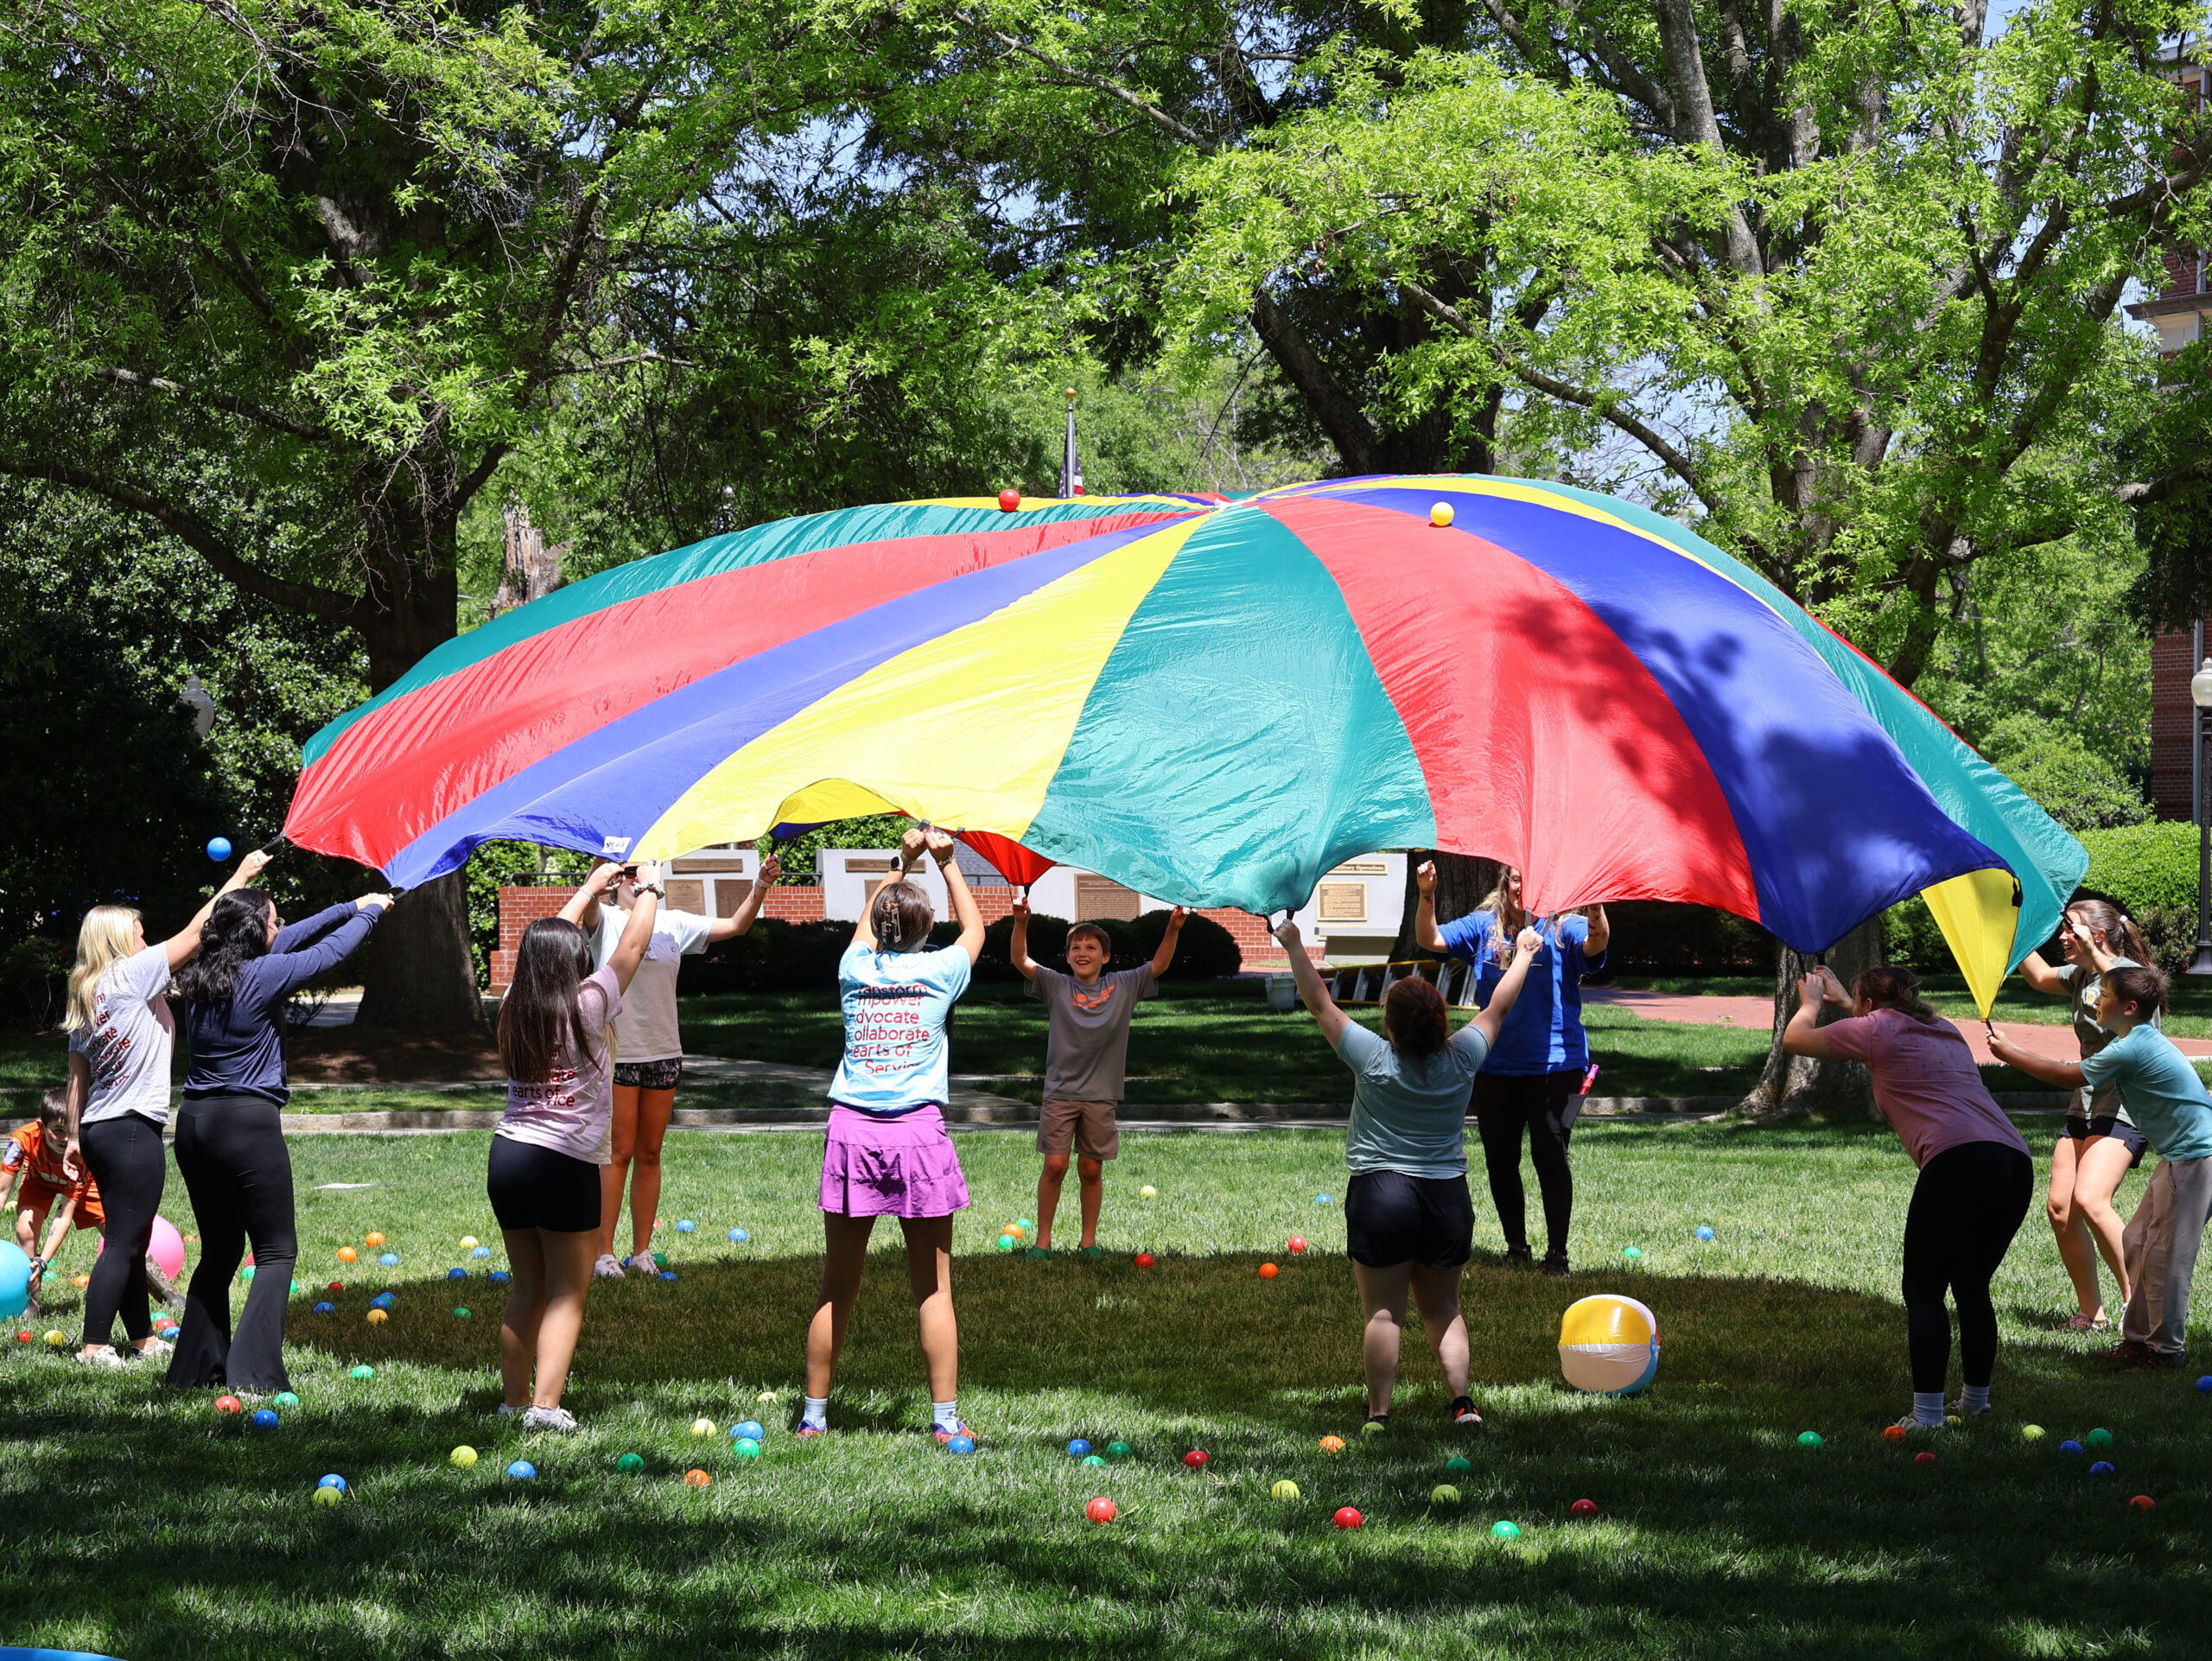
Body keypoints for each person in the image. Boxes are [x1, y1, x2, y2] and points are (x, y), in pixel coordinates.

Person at [1274, 911, 1543, 1426]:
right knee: (1443, 1310)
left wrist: (1291, 943)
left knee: (1383, 1313)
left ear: (1390, 1025)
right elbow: (1500, 1005)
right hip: (1446, 1199)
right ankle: (1463, 1405)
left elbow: (1318, 1002)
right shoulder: (1463, 1056)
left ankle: (1379, 1415)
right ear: (1441, 1020)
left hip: (1382, 1196)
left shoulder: (1372, 1058)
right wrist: (1526, 952)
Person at [167, 881, 391, 1391]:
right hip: (244, 1124)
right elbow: (328, 951)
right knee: (275, 1252)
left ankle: (195, 1370)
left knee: (221, 1252)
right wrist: (371, 914)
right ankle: (254, 1375)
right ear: (256, 933)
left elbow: (291, 938)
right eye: (274, 921)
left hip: (194, 1124)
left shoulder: (201, 975)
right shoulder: (264, 975)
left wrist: (348, 903)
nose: (281, 928)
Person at [1787, 965, 2034, 1427]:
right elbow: (1890, 1025)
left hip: (1957, 1161)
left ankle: (1927, 1417)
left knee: (1923, 1290)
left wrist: (1812, 1002)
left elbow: (1796, 1041)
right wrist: (1850, 1002)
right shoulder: (1944, 1029)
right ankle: (1977, 1404)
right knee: (1971, 1284)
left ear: (1867, 1006)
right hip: (2013, 1162)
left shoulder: (1875, 1029)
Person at [804, 825, 985, 1439]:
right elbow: (978, 930)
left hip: (851, 1132)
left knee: (838, 1284)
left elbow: (866, 925)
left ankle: (813, 1418)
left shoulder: (852, 967)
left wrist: (899, 865)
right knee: (932, 1288)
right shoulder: (939, 972)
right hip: (917, 1137)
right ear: (924, 931)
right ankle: (945, 1421)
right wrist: (948, 863)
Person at [62, 848, 272, 1367]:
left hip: (97, 1128)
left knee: (125, 1237)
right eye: (138, 931)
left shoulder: (88, 992)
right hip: (133, 1130)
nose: (145, 938)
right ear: (118, 940)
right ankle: (93, 1346)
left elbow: (76, 1079)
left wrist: (71, 1137)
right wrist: (241, 876)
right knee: (125, 1241)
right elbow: (202, 931)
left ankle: (142, 1339)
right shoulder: (132, 974)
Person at [488, 861, 660, 1430]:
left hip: (509, 1156)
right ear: (573, 961)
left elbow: (544, 947)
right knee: (567, 1294)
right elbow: (633, 947)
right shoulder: (588, 1001)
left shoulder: (517, 1001)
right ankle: (544, 1409)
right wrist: (651, 887)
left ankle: (512, 1405)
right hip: (564, 1166)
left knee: (528, 1289)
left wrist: (591, 886)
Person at [1990, 964, 2212, 1373]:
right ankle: (2138, 1341)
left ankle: (2166, 1354)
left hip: (2197, 1157)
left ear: (2128, 1007)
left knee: (2167, 1256)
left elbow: (2065, 1076)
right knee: (2138, 1240)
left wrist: (2011, 1054)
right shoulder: (2134, 1037)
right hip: (2181, 1155)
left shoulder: (2132, 1046)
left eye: (2104, 995)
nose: (2094, 1000)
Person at [575, 843, 781, 1280]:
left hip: (664, 1052)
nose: (638, 876)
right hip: (620, 1054)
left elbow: (736, 925)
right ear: (621, 880)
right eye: (631, 872)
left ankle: (641, 1251)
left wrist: (761, 884)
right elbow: (588, 895)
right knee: (618, 1154)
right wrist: (609, 851)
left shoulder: (674, 923)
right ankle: (603, 1254)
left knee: (650, 1153)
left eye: (645, 870)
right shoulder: (606, 921)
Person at [1414, 861, 1609, 1275]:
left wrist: (1595, 908)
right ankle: (1516, 1248)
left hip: (1557, 1067)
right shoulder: (1485, 927)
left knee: (1551, 1155)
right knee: (1501, 1160)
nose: (1525, 886)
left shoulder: (1563, 927)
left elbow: (1596, 944)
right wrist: (1427, 893)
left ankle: (1557, 1253)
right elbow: (1428, 938)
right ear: (1507, 882)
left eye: (1534, 877)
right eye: (1518, 877)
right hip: (1496, 1066)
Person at [1009, 901, 1185, 1257]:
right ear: (1068, 956)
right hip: (1060, 1092)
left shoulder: (1124, 985)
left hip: (1101, 1094)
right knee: (1055, 1165)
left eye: (1091, 947)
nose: (1082, 952)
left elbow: (1160, 964)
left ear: (1106, 957)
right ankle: (1042, 1242)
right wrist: (1020, 923)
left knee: (1090, 1168)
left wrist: (1174, 928)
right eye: (1076, 947)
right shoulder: (1056, 985)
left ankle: (1087, 1241)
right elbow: (1020, 961)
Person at [2013, 899, 2153, 1329]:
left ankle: (2139, 1306)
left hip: (2125, 1103)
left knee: (2091, 1200)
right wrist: (2011, 923)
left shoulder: (2128, 977)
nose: (2061, 936)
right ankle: (2092, 1313)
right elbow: (2037, 976)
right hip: (2086, 1101)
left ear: (2097, 935)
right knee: (2060, 1207)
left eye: (2070, 928)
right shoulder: (2082, 975)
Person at [3, 1089, 104, 1317]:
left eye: (71, 1131)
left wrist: (43, 1261)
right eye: (58, 1130)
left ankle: (159, 1286)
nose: (66, 1138)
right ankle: (29, 1302)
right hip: (39, 1179)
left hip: (82, 1186)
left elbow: (64, 1216)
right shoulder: (23, 1140)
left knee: (117, 1234)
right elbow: (2, 1190)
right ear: (42, 1127)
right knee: (25, 1230)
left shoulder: (82, 1155)